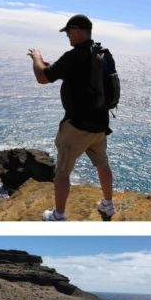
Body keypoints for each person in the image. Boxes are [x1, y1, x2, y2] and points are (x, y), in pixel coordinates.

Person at [28, 14, 115, 221]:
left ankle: (58, 215)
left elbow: (42, 77)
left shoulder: (75, 55)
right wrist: (53, 68)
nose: (67, 36)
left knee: (62, 173)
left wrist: (36, 59)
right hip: (100, 123)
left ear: (77, 30)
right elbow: (85, 79)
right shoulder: (102, 53)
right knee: (103, 164)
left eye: (68, 32)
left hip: (77, 126)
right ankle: (108, 205)